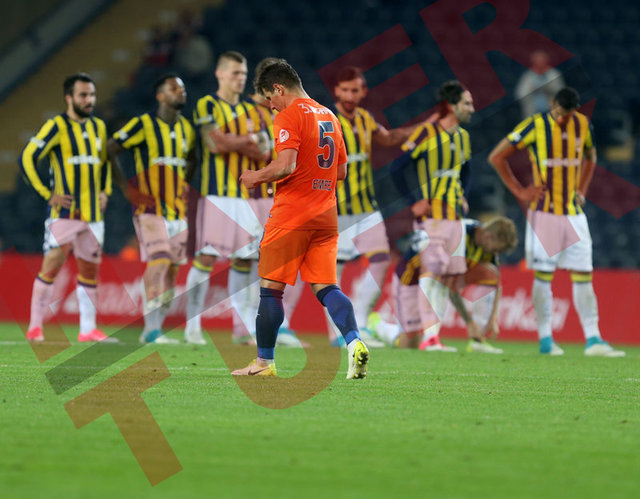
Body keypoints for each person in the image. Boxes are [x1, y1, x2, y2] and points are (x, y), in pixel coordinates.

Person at [232, 61, 369, 379]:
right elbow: (341, 171)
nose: (271, 105)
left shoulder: (288, 115)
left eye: (270, 98)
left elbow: (285, 165)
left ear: (278, 88)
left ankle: (263, 363)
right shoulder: (330, 116)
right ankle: (354, 342)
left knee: (271, 290)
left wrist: (255, 176)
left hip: (291, 215)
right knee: (327, 287)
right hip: (326, 217)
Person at [488, 87, 624, 357]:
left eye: (568, 114)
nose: (563, 119)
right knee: (544, 276)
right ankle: (546, 340)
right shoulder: (535, 125)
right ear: (552, 104)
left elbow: (591, 156)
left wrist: (582, 189)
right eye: (560, 113)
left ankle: (593, 339)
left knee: (583, 275)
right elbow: (497, 156)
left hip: (574, 214)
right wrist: (518, 190)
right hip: (545, 214)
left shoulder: (583, 125)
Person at [20, 73, 116, 343]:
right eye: (83, 95)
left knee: (90, 271)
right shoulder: (56, 126)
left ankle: (88, 329)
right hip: (65, 213)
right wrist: (47, 194)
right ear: (69, 98)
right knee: (51, 265)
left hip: (93, 215)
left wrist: (106, 191)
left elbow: (105, 162)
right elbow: (27, 157)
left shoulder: (99, 127)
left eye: (92, 95)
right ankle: (35, 326)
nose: (89, 100)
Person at [325, 66, 416, 348]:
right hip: (335, 208)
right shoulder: (326, 120)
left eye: (355, 90)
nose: (349, 95)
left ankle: (361, 322)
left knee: (380, 260)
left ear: (363, 91)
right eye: (345, 90)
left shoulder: (366, 118)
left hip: (366, 206)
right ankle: (337, 333)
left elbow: (387, 138)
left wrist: (421, 129)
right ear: (336, 91)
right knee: (333, 272)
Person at [185, 51, 268, 346]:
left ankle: (241, 327)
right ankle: (192, 326)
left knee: (245, 260)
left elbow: (264, 152)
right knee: (206, 258)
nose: (240, 78)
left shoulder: (252, 110)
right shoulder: (207, 104)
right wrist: (248, 140)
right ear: (219, 74)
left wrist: (237, 142)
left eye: (243, 73)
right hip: (217, 197)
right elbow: (213, 143)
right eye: (235, 72)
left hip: (246, 198)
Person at [108, 74, 197, 344]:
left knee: (171, 271)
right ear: (160, 96)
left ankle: (155, 328)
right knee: (159, 260)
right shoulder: (143, 124)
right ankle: (150, 329)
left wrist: (184, 185)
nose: (181, 91)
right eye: (174, 88)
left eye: (182, 87)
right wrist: (126, 189)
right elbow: (109, 149)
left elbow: (192, 159)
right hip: (150, 209)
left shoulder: (187, 128)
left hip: (177, 210)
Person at [393, 81, 475, 352]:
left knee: (446, 277)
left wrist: (463, 194)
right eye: (467, 103)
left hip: (454, 219)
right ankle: (428, 337)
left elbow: (467, 170)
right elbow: (397, 168)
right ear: (451, 106)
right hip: (432, 219)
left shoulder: (463, 137)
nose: (472, 108)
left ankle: (433, 337)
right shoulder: (426, 133)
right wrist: (413, 202)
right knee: (431, 272)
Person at [370, 217, 517, 353]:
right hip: (410, 277)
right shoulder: (459, 236)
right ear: (488, 237)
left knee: (490, 273)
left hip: (434, 278)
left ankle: (478, 340)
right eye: (497, 249)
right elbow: (450, 288)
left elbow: (496, 280)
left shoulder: (485, 247)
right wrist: (469, 322)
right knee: (408, 345)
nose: (496, 253)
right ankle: (378, 326)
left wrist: (493, 318)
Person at [245, 57, 308, 348]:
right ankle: (249, 325)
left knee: (286, 264)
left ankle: (280, 328)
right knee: (256, 263)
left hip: (285, 197)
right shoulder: (249, 113)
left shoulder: (290, 112)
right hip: (257, 198)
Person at [514, 50, 565, 120]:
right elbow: (520, 94)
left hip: (551, 111)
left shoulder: (553, 74)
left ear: (546, 62)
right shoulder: (528, 76)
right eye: (537, 63)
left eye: (542, 62)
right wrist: (532, 89)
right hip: (532, 112)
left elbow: (561, 93)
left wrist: (548, 88)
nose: (539, 65)